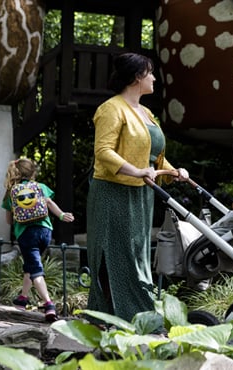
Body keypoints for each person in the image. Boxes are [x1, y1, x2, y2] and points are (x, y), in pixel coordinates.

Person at [86, 52, 189, 323]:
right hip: (113, 193)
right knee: (118, 255)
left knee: (137, 255)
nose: (154, 77)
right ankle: (115, 317)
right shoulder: (111, 108)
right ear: (136, 77)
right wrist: (136, 171)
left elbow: (154, 157)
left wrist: (173, 171)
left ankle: (136, 316)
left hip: (142, 194)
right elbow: (104, 152)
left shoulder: (146, 112)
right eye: (150, 72)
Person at [1, 158, 75, 322]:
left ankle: (48, 304)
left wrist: (20, 215)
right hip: (45, 232)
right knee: (31, 265)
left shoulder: (11, 192)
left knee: (35, 269)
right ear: (32, 173)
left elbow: (9, 221)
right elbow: (49, 202)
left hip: (27, 234)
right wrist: (62, 215)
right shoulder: (40, 187)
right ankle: (23, 298)